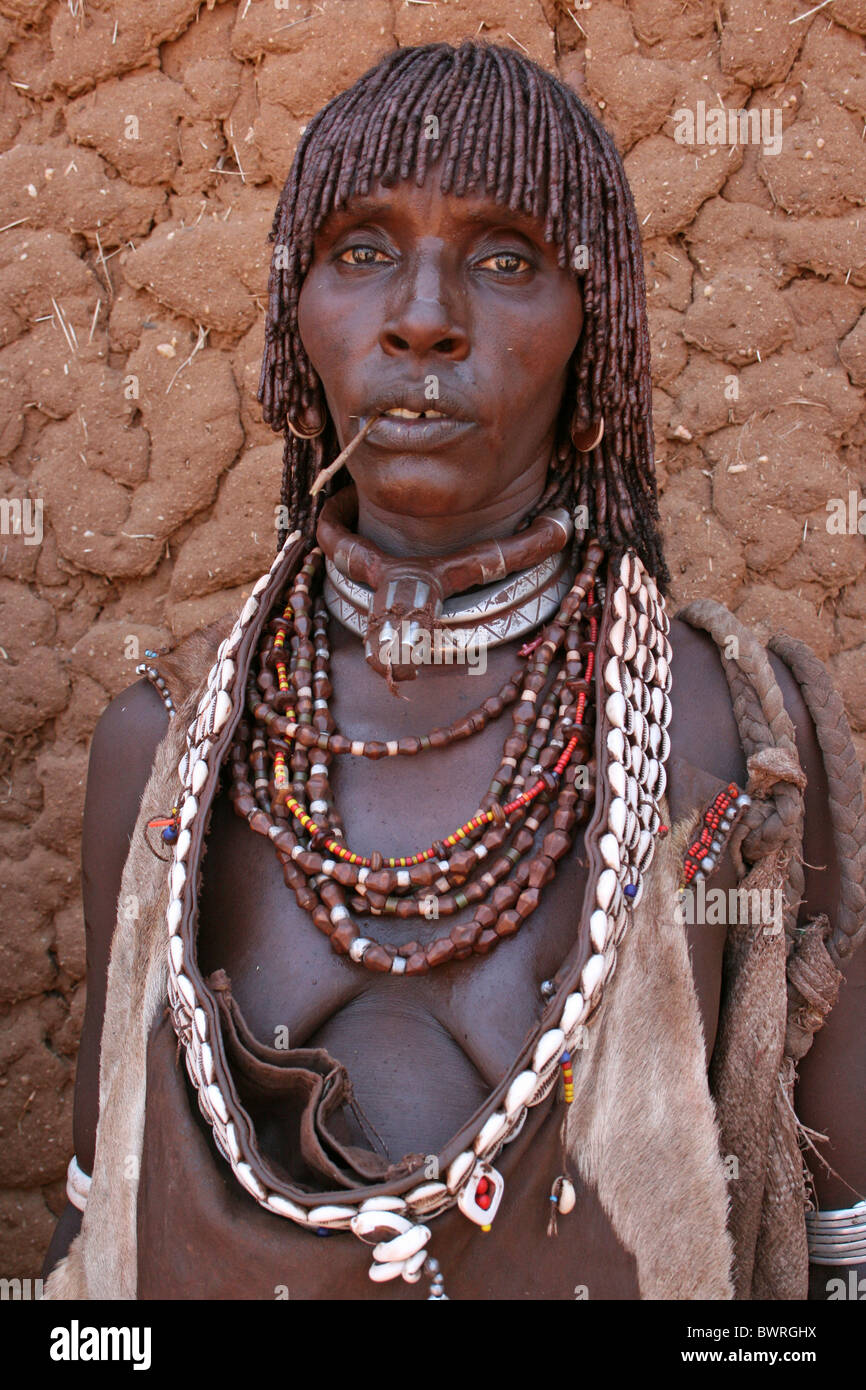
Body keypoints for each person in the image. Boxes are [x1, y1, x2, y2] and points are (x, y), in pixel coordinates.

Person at [43, 40, 865, 1301]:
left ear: (594, 333)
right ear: (295, 318)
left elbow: (839, 1248)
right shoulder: (160, 755)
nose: (422, 315)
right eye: (362, 252)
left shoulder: (729, 734)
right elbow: (95, 1242)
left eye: (504, 259)